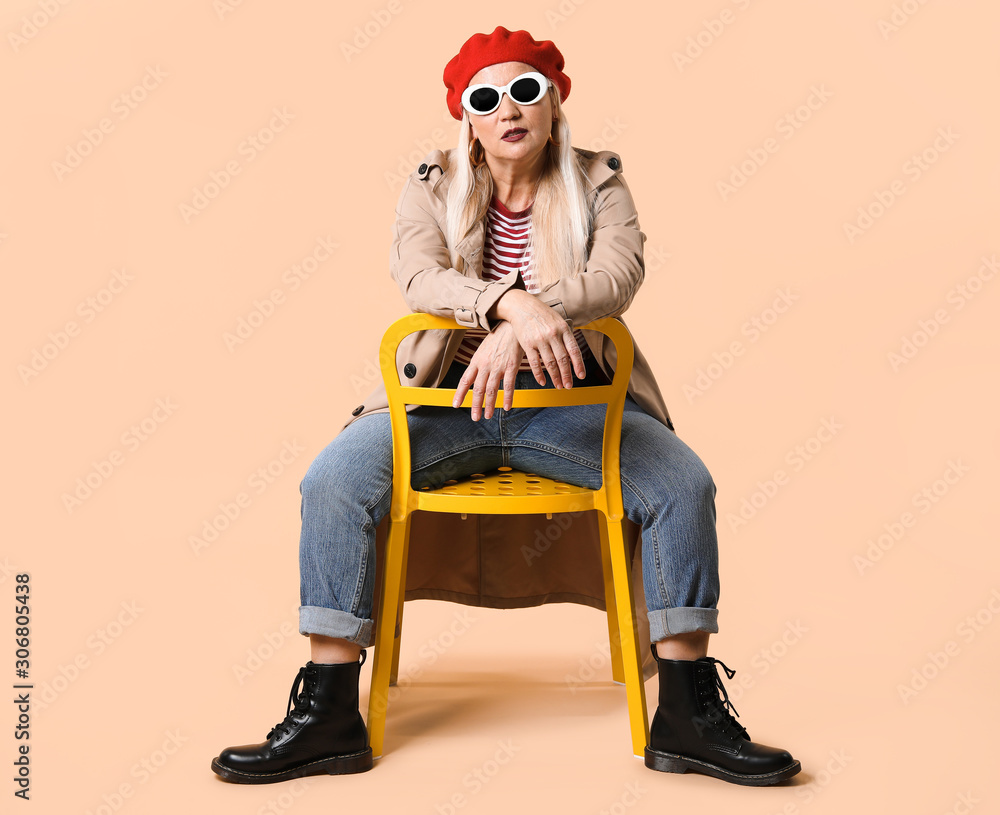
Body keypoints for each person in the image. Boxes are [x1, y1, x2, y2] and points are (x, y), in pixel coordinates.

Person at [211, 25, 800, 787]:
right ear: (468, 116)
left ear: (554, 101)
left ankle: (687, 713)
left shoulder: (600, 182)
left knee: (682, 484)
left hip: (572, 406)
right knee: (334, 480)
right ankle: (328, 713)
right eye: (487, 98)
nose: (509, 109)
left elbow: (617, 277)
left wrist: (523, 324)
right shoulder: (431, 183)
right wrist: (507, 309)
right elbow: (418, 277)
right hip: (446, 404)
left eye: (526, 90)